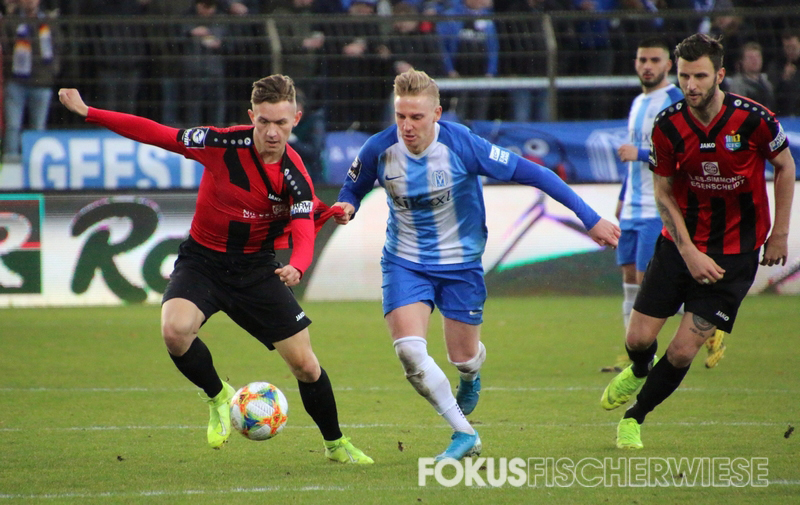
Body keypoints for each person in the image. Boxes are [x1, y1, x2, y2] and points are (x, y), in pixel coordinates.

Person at [57, 75, 373, 464]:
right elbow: (158, 134)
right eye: (264, 122)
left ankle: (336, 444)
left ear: (296, 119)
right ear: (251, 116)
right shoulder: (220, 144)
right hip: (202, 262)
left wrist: (298, 265)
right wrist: (89, 112)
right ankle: (219, 395)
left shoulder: (295, 177)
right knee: (174, 331)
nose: (272, 133)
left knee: (306, 367)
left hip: (256, 269)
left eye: (281, 123)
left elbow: (304, 229)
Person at [333, 69, 620, 460]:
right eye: (400, 116)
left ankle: (470, 374)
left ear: (437, 114)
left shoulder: (463, 145)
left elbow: (536, 173)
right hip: (404, 262)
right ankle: (464, 433)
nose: (407, 126)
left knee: (463, 358)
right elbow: (353, 187)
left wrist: (590, 218)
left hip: (461, 266)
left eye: (416, 117)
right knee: (410, 352)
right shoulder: (378, 149)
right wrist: (347, 205)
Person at [601, 33, 795, 450]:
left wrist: (779, 233)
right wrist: (688, 251)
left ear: (720, 75)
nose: (691, 85)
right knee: (638, 340)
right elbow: (663, 191)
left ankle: (634, 418)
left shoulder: (754, 119)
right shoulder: (668, 124)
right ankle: (639, 368)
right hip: (679, 247)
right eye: (685, 76)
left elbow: (784, 165)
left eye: (700, 76)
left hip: (735, 256)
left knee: (682, 351)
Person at [615, 38, 683, 331]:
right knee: (630, 280)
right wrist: (622, 197)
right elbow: (632, 159)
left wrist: (641, 154)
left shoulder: (675, 100)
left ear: (668, 65)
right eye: (643, 60)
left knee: (648, 285)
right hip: (632, 207)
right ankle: (632, 349)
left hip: (656, 207)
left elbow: (682, 154)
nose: (647, 66)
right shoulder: (637, 102)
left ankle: (702, 318)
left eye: (655, 60)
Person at [1, 0, 60, 162]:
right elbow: (5, 47)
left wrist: (52, 71)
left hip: (42, 82)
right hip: (16, 82)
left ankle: (35, 162)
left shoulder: (48, 22)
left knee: (38, 127)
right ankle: (11, 162)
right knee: (13, 126)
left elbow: (57, 47)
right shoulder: (11, 21)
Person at [725, 41, 775, 112]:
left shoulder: (767, 83)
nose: (755, 60)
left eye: (757, 57)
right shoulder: (737, 85)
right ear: (742, 61)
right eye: (750, 58)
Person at [767, 29, 800, 117]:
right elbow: (771, 92)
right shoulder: (777, 66)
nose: (790, 51)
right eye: (787, 48)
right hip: (783, 114)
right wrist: (784, 79)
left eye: (793, 47)